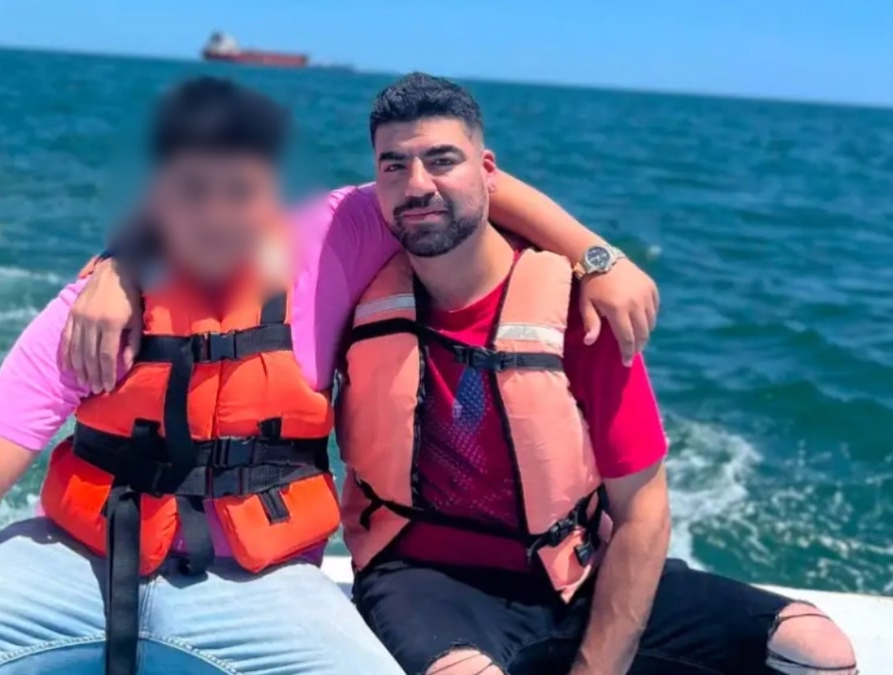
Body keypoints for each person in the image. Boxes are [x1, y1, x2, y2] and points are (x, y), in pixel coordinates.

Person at [0, 78, 659, 675]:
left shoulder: (332, 238)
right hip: (77, 561)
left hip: (265, 583)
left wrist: (595, 254)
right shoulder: (86, 312)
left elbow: (462, 184)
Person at [336, 73, 859, 675]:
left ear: (488, 170)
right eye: (393, 166)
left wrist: (596, 667)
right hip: (425, 580)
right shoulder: (356, 295)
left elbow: (642, 510)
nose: (417, 185)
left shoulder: (579, 311)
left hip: (572, 572)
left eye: (442, 160)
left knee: (820, 653)